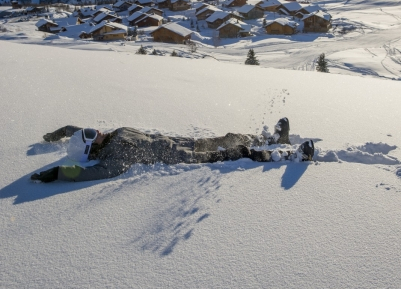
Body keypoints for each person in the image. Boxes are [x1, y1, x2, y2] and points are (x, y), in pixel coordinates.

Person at [30, 118, 314, 183]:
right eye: (91, 134)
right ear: (92, 149)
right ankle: (289, 156)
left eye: (90, 129)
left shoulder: (109, 136)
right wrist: (58, 172)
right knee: (235, 151)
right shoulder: (112, 159)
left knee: (226, 138)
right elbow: (88, 174)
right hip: (183, 157)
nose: (96, 129)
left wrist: (63, 132)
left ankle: (272, 138)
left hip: (177, 142)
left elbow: (75, 131)